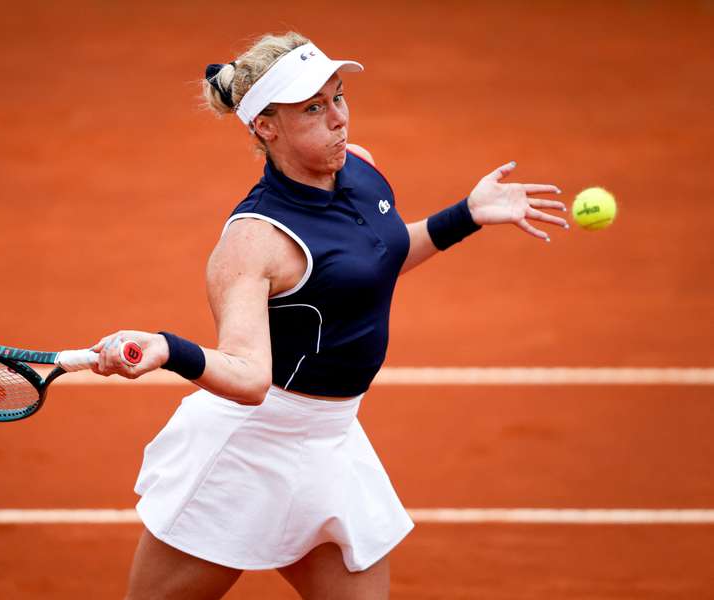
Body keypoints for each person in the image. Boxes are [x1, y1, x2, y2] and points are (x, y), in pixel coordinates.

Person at [91, 32, 568, 600]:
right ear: (265, 127)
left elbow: (375, 260)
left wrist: (464, 215)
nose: (338, 118)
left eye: (338, 96)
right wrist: (170, 347)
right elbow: (247, 378)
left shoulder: (361, 171)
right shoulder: (253, 242)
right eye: (313, 108)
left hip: (331, 444)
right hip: (249, 451)